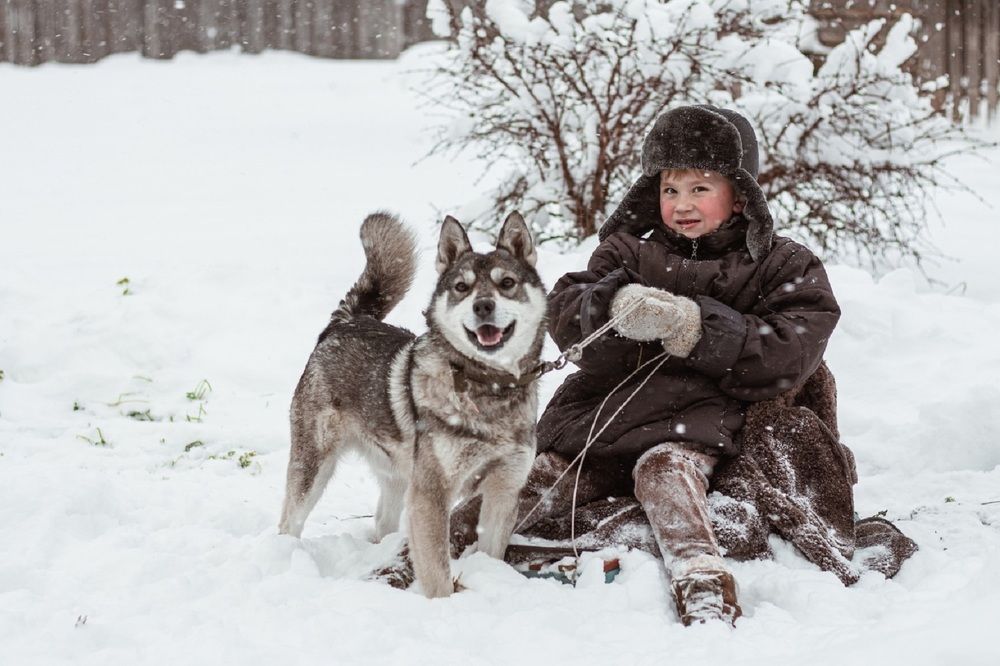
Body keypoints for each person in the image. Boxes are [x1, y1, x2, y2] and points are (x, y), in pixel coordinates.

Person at [519, 105, 841, 625]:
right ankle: (442, 547)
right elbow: (569, 311)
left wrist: (696, 328)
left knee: (663, 470)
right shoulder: (626, 252)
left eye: (700, 188)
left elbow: (793, 346)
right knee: (538, 478)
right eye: (670, 189)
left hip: (700, 421)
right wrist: (611, 307)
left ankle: (701, 576)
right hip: (601, 416)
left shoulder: (783, 264)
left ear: (740, 195)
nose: (681, 204)